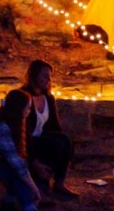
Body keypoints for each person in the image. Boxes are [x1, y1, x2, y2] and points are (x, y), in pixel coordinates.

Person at [21, 59, 79, 199]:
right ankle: (41, 185)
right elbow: (24, 131)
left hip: (41, 136)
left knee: (63, 140)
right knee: (51, 145)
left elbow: (54, 125)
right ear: (34, 76)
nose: (48, 79)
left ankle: (59, 182)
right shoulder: (24, 97)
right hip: (26, 139)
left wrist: (67, 150)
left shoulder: (48, 98)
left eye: (49, 76)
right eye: (44, 75)